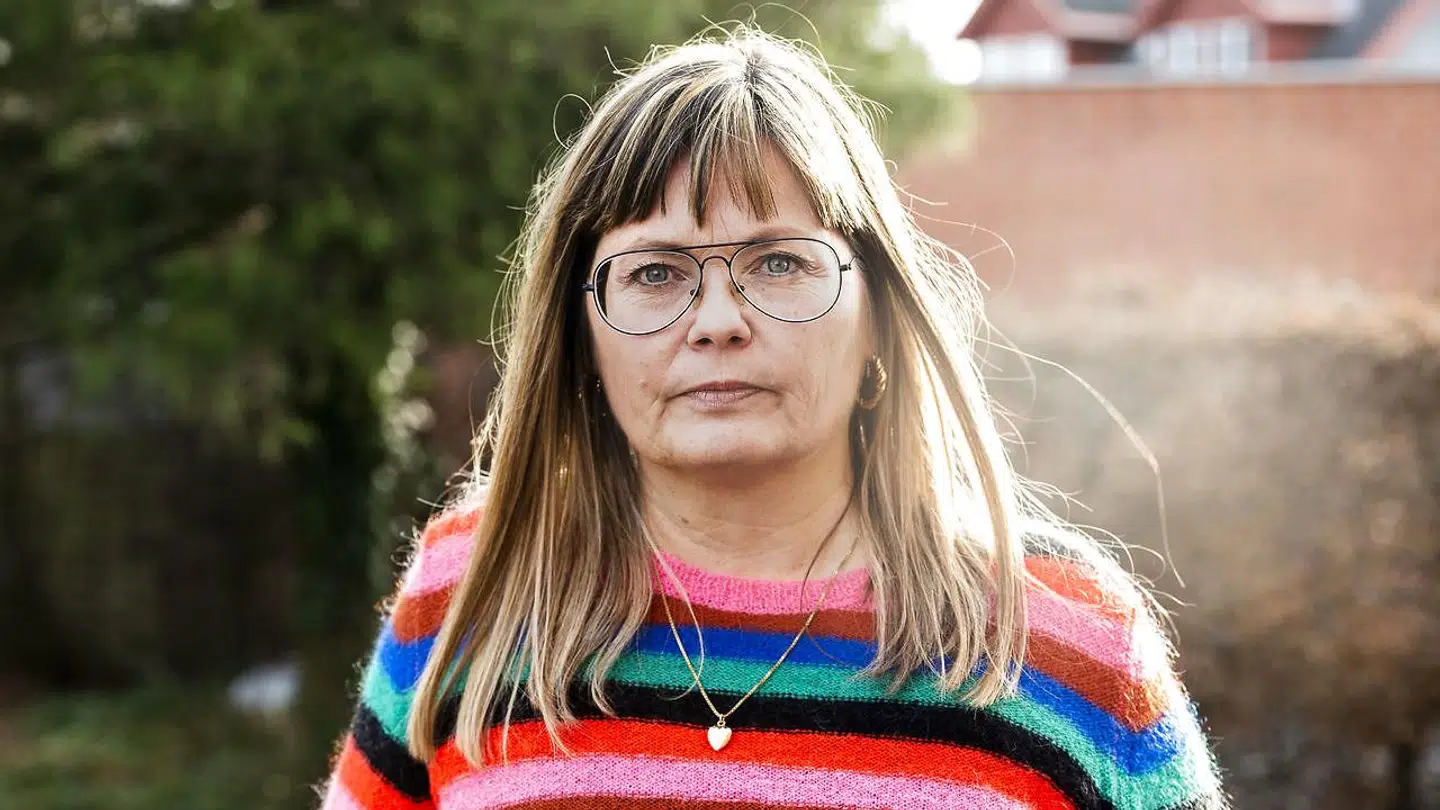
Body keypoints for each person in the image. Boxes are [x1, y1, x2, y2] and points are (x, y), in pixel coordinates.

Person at [319, 27, 1227, 810]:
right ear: (580, 336)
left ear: (877, 316)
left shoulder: (1069, 640)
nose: (717, 320)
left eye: (779, 263)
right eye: (655, 273)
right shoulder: (470, 594)